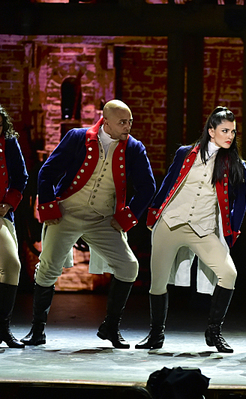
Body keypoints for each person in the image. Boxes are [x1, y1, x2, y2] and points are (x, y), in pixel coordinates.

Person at [22, 99, 156, 348]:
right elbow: (47, 172)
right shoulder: (77, 137)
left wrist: (127, 217)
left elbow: (148, 186)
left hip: (102, 219)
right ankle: (37, 330)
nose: (128, 126)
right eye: (122, 122)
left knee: (129, 267)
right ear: (106, 121)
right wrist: (49, 207)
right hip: (67, 213)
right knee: (48, 268)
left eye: (130, 122)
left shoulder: (134, 148)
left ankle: (110, 328)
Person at [136, 106, 246, 353]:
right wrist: (155, 212)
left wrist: (234, 228)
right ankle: (156, 334)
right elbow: (168, 182)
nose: (230, 136)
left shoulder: (234, 164)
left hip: (203, 228)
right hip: (171, 223)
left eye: (233, 131)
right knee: (158, 281)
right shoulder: (185, 153)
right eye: (224, 130)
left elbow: (242, 199)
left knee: (229, 274)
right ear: (211, 131)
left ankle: (214, 331)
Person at [0, 105, 28, 349]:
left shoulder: (8, 143)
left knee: (11, 264)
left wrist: (8, 204)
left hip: (0, 213)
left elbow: (20, 177)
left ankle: (3, 327)